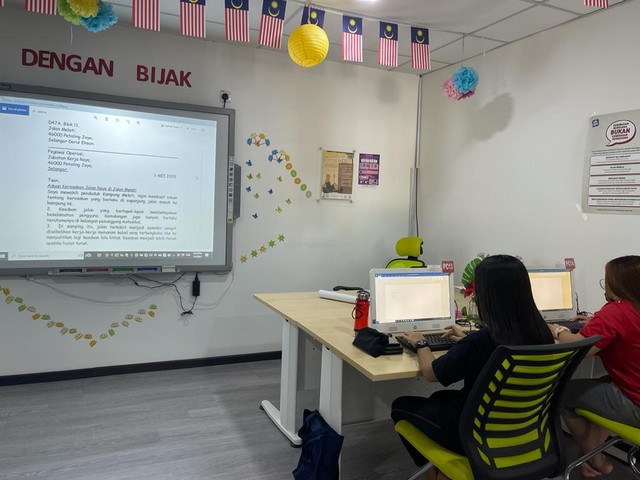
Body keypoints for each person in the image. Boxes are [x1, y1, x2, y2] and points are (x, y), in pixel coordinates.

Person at [391, 255, 554, 480]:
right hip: (523, 431)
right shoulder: (542, 333)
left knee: (401, 405)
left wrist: (421, 344)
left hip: (472, 432)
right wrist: (467, 340)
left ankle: (439, 471)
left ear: (486, 296)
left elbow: (430, 373)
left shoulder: (481, 341)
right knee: (440, 398)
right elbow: (491, 347)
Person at [551, 255, 640, 478]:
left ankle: (595, 458)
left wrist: (558, 330)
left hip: (636, 405)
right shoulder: (629, 309)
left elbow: (580, 347)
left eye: (606, 281)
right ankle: (592, 455)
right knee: (600, 385)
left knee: (561, 393)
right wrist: (595, 323)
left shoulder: (615, 312)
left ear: (618, 284)